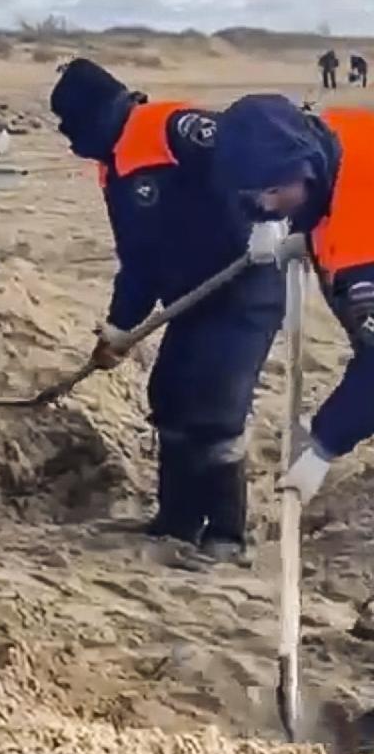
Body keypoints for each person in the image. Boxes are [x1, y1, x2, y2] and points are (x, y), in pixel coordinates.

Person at [47, 60, 284, 562]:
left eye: (73, 129)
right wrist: (118, 328)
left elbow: (251, 153)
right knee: (171, 395)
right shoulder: (115, 169)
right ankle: (177, 520)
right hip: (190, 300)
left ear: (99, 115)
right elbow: (139, 263)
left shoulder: (172, 128)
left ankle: (225, 535)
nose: (71, 143)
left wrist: (270, 217)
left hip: (245, 283)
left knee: (215, 407)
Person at [215, 95, 374, 510]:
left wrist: (323, 442)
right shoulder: (332, 140)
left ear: (300, 169)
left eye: (268, 194)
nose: (264, 207)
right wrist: (304, 235)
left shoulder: (363, 246)